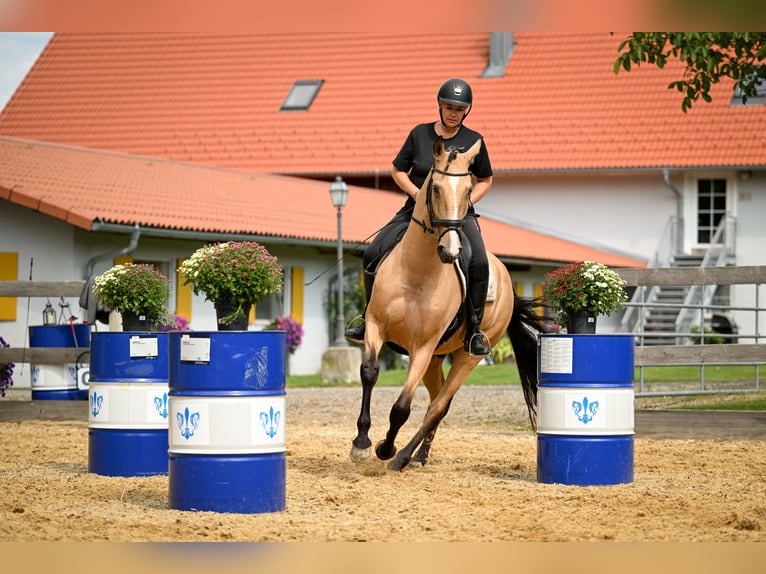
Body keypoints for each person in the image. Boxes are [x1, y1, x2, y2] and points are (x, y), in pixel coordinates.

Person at [345, 78, 494, 356]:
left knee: (480, 262)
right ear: (439, 105)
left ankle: (473, 330)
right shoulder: (419, 134)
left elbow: (486, 179)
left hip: (457, 216)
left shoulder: (474, 141)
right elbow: (397, 171)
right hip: (415, 211)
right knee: (373, 251)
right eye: (449, 107)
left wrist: (466, 202)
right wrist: (416, 194)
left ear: (467, 111)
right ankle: (367, 318)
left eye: (459, 109)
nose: (453, 113)